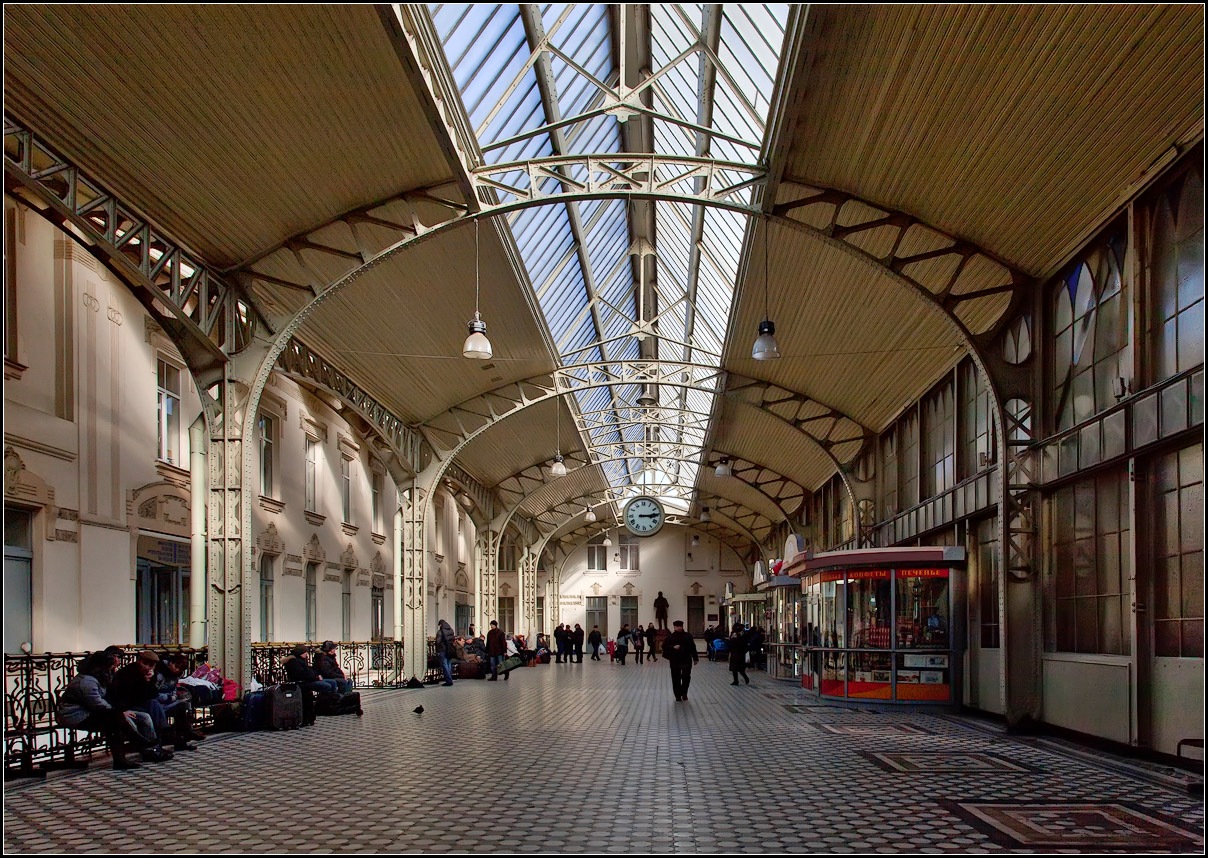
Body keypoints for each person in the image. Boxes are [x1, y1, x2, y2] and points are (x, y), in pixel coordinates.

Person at [56, 651, 156, 769]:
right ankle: (137, 745)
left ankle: (140, 745)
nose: (112, 670)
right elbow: (98, 704)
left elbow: (110, 698)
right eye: (110, 667)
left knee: (136, 717)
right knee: (114, 719)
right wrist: (118, 711)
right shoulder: (86, 681)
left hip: (90, 713)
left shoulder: (100, 678)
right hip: (75, 716)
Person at [108, 650, 186, 756]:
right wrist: (145, 681)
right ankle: (161, 738)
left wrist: (149, 681)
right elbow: (123, 694)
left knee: (177, 705)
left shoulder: (151, 674)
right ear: (139, 661)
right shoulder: (127, 673)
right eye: (146, 664)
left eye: (151, 665)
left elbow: (152, 694)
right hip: (128, 705)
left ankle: (169, 739)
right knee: (152, 708)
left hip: (143, 703)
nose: (148, 668)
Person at [154, 654, 206, 743]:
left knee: (183, 705)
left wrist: (174, 697)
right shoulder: (159, 674)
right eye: (176, 667)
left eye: (180, 669)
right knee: (180, 708)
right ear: (171, 663)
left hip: (168, 701)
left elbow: (174, 688)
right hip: (158, 704)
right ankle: (181, 735)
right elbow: (154, 693)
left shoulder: (175, 675)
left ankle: (184, 735)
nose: (177, 670)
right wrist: (170, 697)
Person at [661, 620, 699, 702]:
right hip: (675, 660)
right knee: (676, 678)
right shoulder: (670, 637)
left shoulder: (688, 636)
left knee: (686, 677)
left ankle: (684, 693)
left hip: (686, 659)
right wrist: (673, 647)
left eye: (680, 626)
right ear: (674, 627)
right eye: (677, 626)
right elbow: (664, 646)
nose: (679, 628)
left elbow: (693, 647)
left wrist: (695, 658)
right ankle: (677, 695)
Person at [434, 619, 456, 685]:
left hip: (443, 649)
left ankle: (448, 680)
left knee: (444, 664)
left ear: (440, 625)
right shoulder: (451, 630)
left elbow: (438, 642)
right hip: (450, 649)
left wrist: (437, 650)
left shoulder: (440, 632)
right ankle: (450, 678)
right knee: (449, 664)